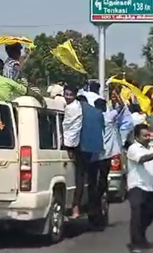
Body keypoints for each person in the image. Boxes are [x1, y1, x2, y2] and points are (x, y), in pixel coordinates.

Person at [126, 124, 153, 253]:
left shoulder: (150, 149)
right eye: (144, 135)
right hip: (136, 186)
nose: (147, 137)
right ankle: (136, 244)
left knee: (149, 215)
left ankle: (141, 237)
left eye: (148, 135)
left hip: (149, 187)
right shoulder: (133, 148)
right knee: (137, 216)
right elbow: (142, 160)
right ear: (137, 137)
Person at [92, 93, 125, 223]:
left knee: (94, 180)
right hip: (106, 154)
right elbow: (121, 106)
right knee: (103, 179)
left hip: (95, 154)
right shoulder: (109, 116)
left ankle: (96, 198)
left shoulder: (93, 118)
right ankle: (101, 196)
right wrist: (117, 95)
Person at [72, 93, 105, 220]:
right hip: (96, 151)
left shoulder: (78, 111)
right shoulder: (97, 113)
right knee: (92, 182)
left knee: (80, 179)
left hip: (81, 148)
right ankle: (92, 209)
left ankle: (76, 207)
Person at [62, 85, 84, 218]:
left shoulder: (74, 108)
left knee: (78, 178)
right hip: (69, 143)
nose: (67, 97)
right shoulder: (68, 107)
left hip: (73, 145)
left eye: (70, 94)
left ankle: (76, 208)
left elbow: (71, 127)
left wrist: (68, 145)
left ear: (75, 95)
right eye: (66, 94)